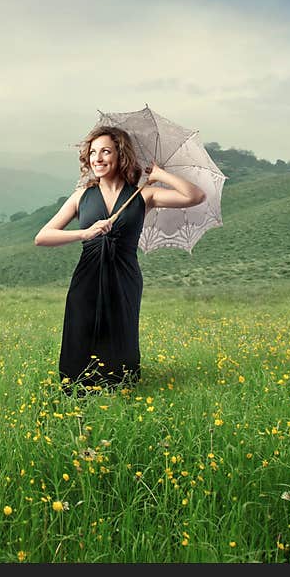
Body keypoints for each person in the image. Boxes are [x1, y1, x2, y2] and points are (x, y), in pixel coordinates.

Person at [34, 125, 206, 393]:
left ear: (120, 155)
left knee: (119, 333)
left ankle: (120, 392)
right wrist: (85, 232)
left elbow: (195, 196)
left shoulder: (144, 195)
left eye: (105, 151)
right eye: (93, 152)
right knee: (80, 332)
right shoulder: (81, 196)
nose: (97, 158)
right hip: (87, 275)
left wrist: (161, 175)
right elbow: (42, 236)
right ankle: (75, 392)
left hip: (124, 275)